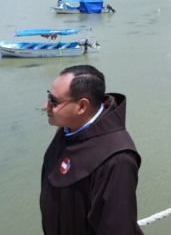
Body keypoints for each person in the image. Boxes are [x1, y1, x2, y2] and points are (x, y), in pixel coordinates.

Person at [40, 65, 143, 234]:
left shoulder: (117, 158)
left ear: (82, 106)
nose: (46, 106)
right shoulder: (69, 129)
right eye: (48, 97)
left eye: (54, 101)